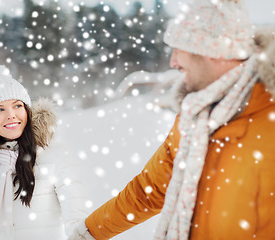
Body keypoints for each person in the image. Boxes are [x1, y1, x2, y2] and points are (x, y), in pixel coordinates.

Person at [69, 0, 275, 239]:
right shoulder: (194, 118)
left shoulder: (268, 127)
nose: (173, 62)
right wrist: (89, 232)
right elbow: (150, 191)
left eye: (180, 49)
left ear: (215, 51)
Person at [0, 65, 88, 239]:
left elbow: (77, 219)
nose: (11, 115)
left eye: (17, 106)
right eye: (0, 109)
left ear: (27, 111)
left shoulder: (54, 155)